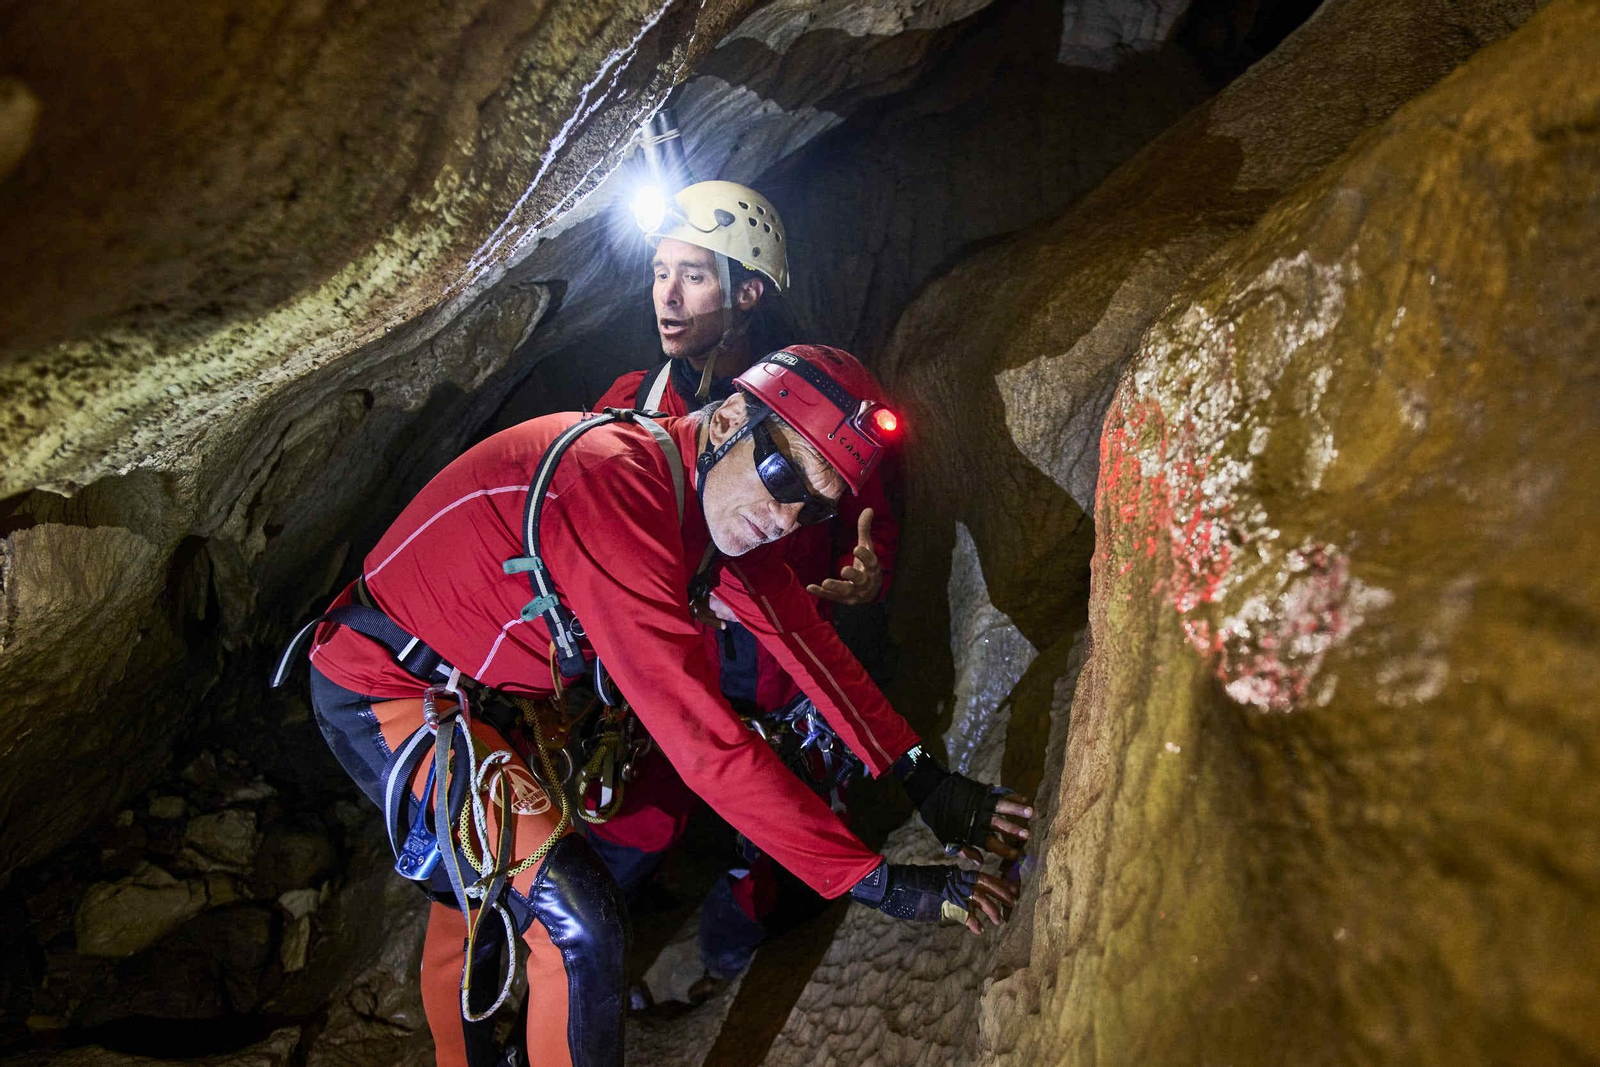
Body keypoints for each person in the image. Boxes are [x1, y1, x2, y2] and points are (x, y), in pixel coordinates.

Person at [285, 344, 1032, 1067]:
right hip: (386, 685)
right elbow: (706, 745)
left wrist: (926, 780)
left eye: (812, 508)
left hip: (484, 692)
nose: (785, 515)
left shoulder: (699, 508)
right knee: (577, 920)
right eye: (780, 474)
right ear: (727, 420)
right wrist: (878, 881)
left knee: (484, 893)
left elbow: (804, 642)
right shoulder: (614, 488)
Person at [588, 179, 904, 986]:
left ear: (749, 290)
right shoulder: (629, 404)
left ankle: (728, 962)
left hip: (773, 661)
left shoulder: (816, 403)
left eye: (694, 274)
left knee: (772, 832)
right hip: (671, 655)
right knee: (640, 818)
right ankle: (565, 953)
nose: (667, 294)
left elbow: (866, 520)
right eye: (660, 271)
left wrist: (866, 576)